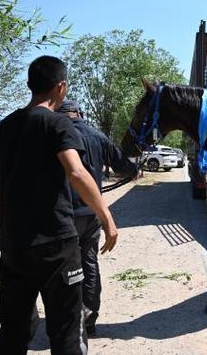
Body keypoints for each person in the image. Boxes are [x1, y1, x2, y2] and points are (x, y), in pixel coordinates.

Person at [0, 55, 118, 354]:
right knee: (66, 328)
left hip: (15, 244)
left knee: (14, 328)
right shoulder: (58, 124)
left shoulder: (4, 127)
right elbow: (77, 172)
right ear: (61, 87)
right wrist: (106, 217)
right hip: (56, 244)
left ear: (30, 86)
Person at [57, 100, 137, 336]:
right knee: (90, 262)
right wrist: (135, 166)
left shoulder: (55, 134)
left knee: (65, 266)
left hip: (63, 214)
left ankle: (69, 317)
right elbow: (126, 168)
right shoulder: (97, 136)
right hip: (91, 213)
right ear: (79, 113)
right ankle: (90, 317)